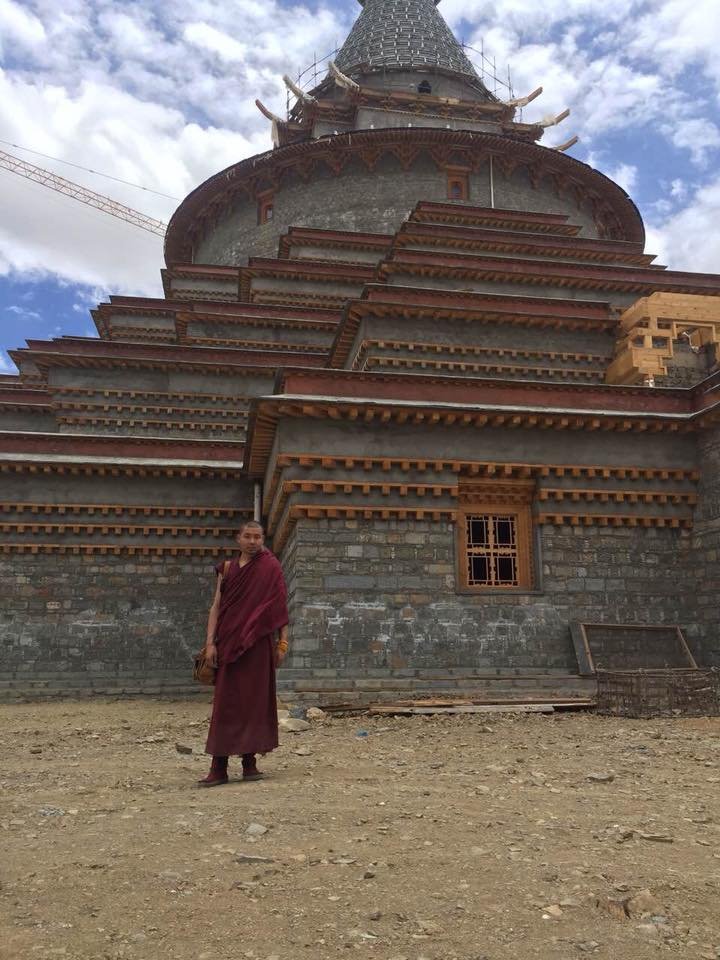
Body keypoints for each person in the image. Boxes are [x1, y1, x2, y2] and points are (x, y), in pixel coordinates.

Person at [199, 520, 289, 787]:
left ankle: (250, 763)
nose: (252, 541)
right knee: (225, 704)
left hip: (258, 645)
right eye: (247, 536)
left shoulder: (271, 567)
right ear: (238, 539)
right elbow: (216, 607)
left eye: (257, 537)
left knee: (255, 702)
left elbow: (279, 606)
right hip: (228, 643)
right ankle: (219, 766)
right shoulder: (227, 569)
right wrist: (210, 643)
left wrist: (282, 643)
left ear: (263, 539)